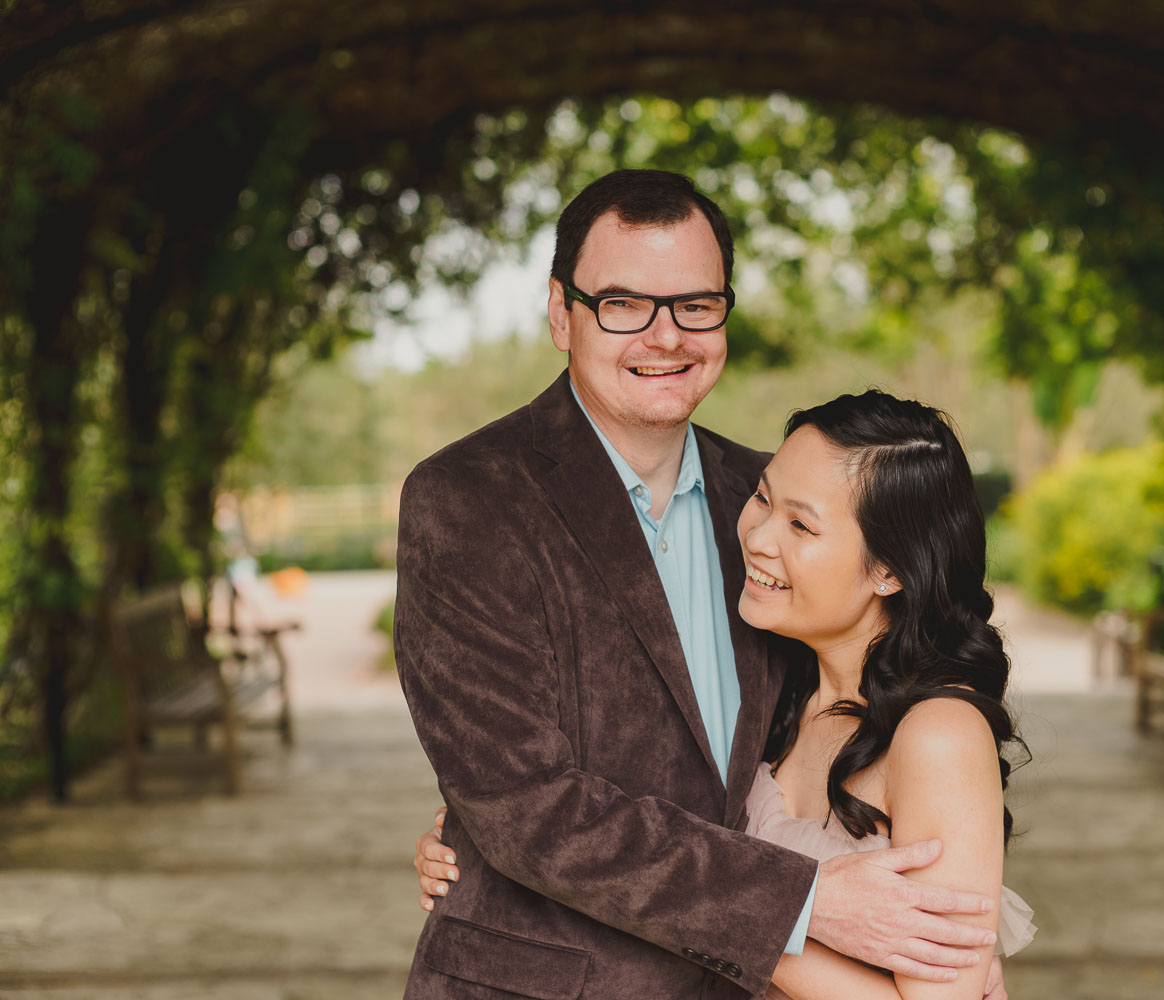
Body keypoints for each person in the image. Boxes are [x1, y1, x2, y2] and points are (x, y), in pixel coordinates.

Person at [396, 169, 1009, 1000]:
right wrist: (480, 820)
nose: (665, 336)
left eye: (695, 304)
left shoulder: (767, 499)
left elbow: (848, 720)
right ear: (559, 312)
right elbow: (525, 803)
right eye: (622, 303)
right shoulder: (467, 499)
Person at [416, 390, 1038, 998]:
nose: (759, 537)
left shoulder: (938, 736)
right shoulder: (781, 689)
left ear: (889, 570)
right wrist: (490, 830)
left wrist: (745, 918)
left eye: (801, 524)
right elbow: (641, 805)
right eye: (762, 498)